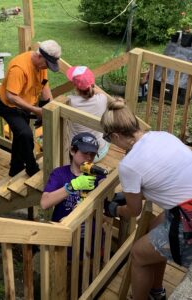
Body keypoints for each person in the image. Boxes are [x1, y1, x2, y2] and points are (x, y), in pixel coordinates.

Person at [101, 98, 192, 300]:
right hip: (184, 205)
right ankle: (156, 291)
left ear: (115, 135)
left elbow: (134, 211)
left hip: (187, 218)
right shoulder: (161, 135)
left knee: (139, 254)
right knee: (153, 229)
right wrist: (130, 195)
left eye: (108, 138)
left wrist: (115, 210)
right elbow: (162, 178)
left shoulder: (129, 165)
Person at [0, 40, 61, 176]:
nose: (47, 68)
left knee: (20, 137)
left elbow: (44, 86)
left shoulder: (41, 66)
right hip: (8, 106)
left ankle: (15, 169)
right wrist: (36, 110)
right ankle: (32, 167)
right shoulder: (19, 68)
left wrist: (49, 108)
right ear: (40, 56)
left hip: (24, 106)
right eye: (47, 64)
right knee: (25, 135)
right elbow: (11, 96)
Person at [40, 132, 106, 258]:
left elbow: (106, 209)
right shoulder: (59, 174)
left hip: (91, 242)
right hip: (65, 241)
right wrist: (73, 186)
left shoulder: (98, 176)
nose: (88, 158)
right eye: (84, 153)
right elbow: (44, 203)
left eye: (92, 154)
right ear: (72, 151)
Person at [66, 66, 109, 162]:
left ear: (76, 88)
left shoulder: (71, 101)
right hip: (99, 152)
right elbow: (98, 93)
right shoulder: (102, 99)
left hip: (78, 155)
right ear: (93, 84)